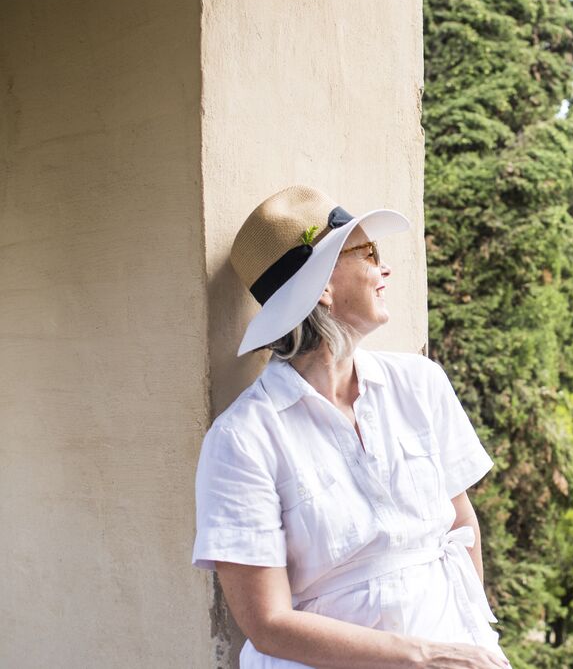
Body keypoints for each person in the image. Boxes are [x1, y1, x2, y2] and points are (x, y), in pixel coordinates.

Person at [192, 186, 509, 668]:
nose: (386, 269)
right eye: (369, 253)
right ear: (323, 287)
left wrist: (474, 645)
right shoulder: (243, 440)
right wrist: (420, 657)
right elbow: (266, 622)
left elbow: (462, 522)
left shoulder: (419, 383)